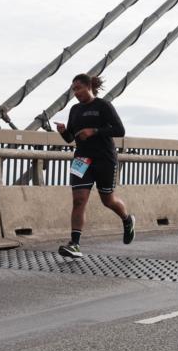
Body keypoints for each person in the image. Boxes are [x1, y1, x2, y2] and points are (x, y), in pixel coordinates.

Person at [55, 74, 135, 258]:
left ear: (89, 86)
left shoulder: (103, 106)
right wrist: (63, 132)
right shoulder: (74, 110)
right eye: (73, 90)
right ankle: (74, 244)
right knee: (79, 199)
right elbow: (70, 139)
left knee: (108, 200)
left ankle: (127, 219)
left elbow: (119, 130)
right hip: (82, 159)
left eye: (78, 88)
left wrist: (94, 131)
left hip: (104, 159)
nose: (75, 93)